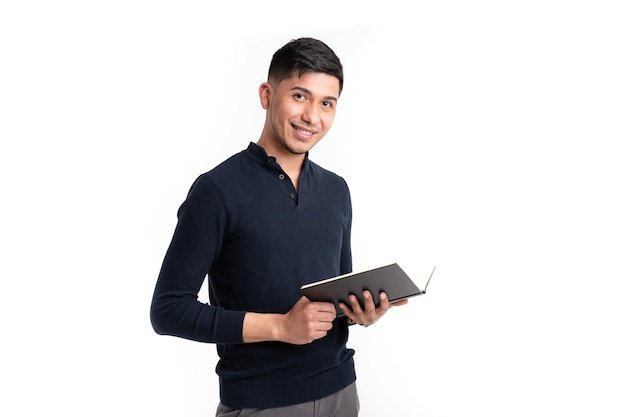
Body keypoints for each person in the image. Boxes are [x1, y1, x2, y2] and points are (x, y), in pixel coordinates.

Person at [150, 37, 408, 417]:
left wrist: (359, 311)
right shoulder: (217, 190)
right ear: (267, 95)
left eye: (327, 103)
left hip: (342, 392)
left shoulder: (337, 190)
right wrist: (280, 327)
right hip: (262, 403)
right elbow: (168, 310)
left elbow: (333, 293)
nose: (312, 117)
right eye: (300, 96)